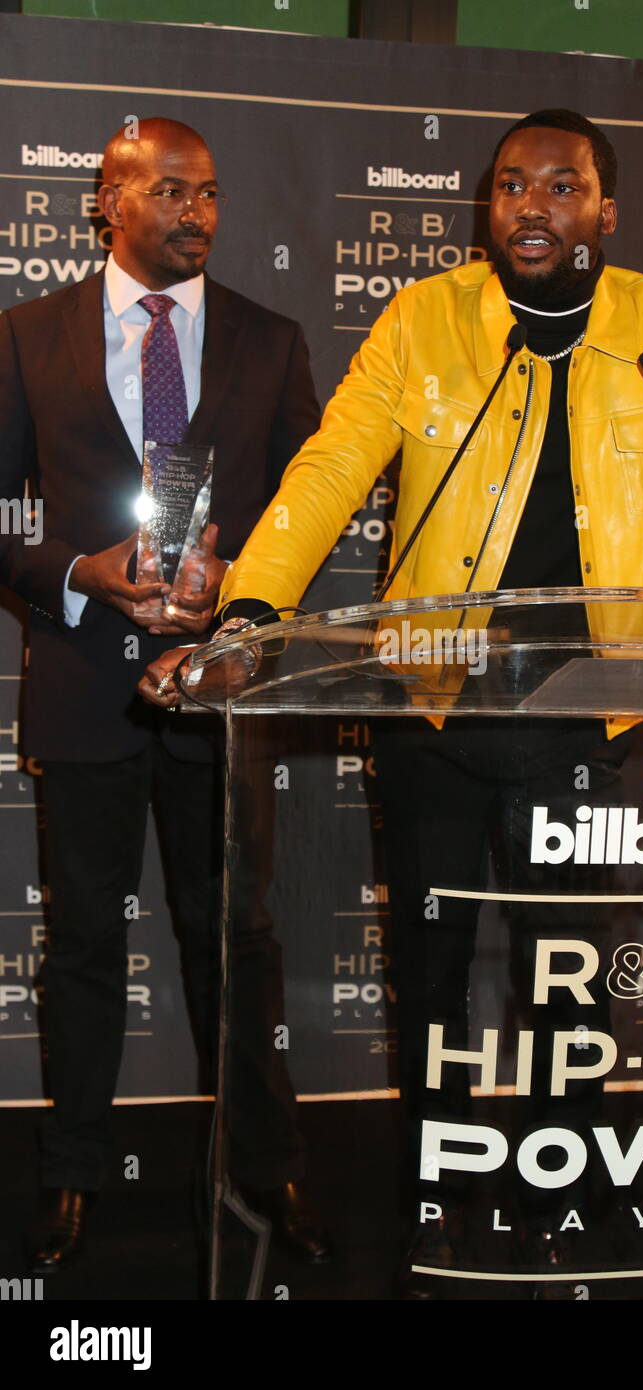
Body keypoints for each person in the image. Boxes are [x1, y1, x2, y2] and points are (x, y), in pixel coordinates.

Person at [140, 108, 643, 1296]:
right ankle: (439, 1186)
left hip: (587, 720)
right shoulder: (426, 320)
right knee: (426, 986)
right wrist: (252, 606)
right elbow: (330, 466)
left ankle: (556, 1192)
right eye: (510, 185)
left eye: (561, 185)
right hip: (435, 710)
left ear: (605, 211)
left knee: (565, 984)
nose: (531, 204)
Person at [0, 117, 332, 1275]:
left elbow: (310, 517)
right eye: (175, 193)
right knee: (84, 943)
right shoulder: (26, 336)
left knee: (236, 939)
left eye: (212, 196)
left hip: (220, 688)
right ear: (111, 197)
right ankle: (75, 1175)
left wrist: (238, 594)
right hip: (86, 680)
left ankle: (264, 1164)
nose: (200, 214)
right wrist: (79, 575)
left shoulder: (270, 339)